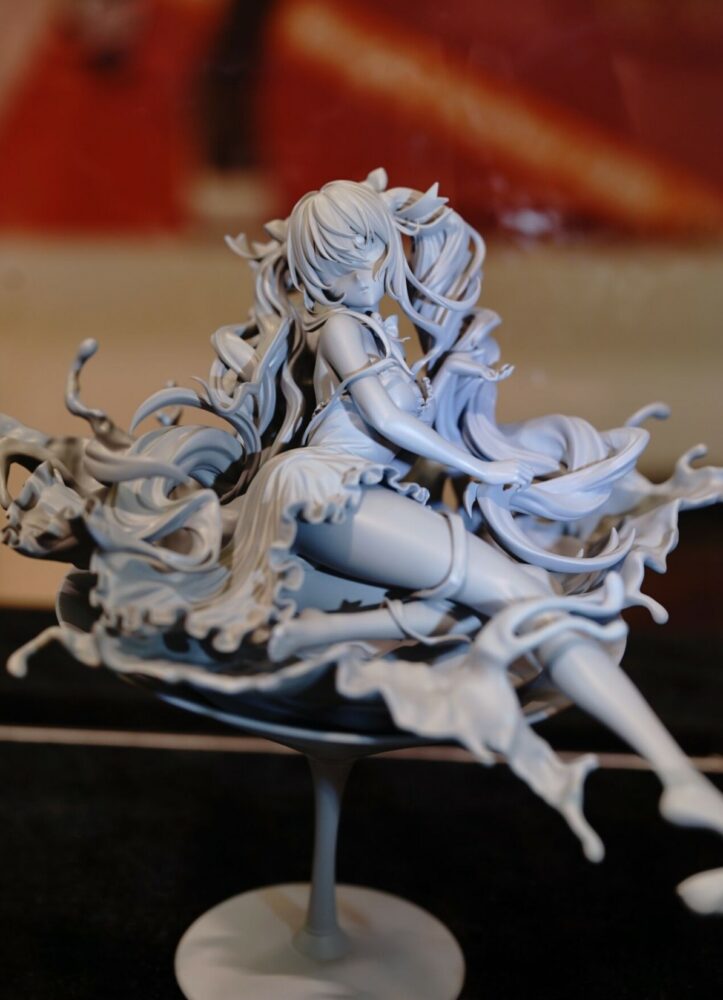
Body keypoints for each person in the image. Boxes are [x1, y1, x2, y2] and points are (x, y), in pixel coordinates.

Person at [2, 169, 723, 907]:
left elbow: (410, 426)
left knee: (493, 605)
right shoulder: (340, 325)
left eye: (379, 248)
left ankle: (307, 637)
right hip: (333, 498)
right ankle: (679, 781)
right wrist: (482, 465)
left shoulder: (368, 322)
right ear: (335, 262)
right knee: (523, 597)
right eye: (363, 254)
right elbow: (389, 421)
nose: (379, 267)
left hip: (360, 495)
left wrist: (498, 445)